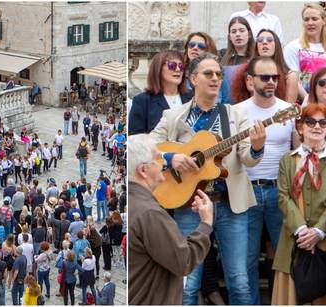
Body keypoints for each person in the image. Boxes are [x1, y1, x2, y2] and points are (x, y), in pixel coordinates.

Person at [149, 53, 265, 305]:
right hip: (189, 203)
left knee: (239, 281)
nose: (215, 79)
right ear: (192, 79)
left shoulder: (235, 115)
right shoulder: (174, 116)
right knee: (188, 283)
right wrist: (171, 158)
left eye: (218, 75)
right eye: (208, 74)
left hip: (229, 203)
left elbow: (247, 158)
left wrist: (257, 146)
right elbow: (146, 147)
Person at [234, 56, 299, 305]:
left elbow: (296, 151)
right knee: (247, 258)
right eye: (265, 77)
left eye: (275, 77)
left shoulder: (287, 109)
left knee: (287, 256)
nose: (271, 81)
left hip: (279, 191)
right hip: (247, 191)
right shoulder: (237, 111)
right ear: (250, 81)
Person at [272, 103, 326, 304]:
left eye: (323, 122)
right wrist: (302, 230)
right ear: (300, 127)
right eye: (310, 121)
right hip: (294, 242)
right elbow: (283, 197)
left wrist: (318, 232)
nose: (317, 126)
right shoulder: (287, 160)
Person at [128, 133, 213, 305]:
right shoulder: (150, 213)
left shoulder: (134, 202)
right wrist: (205, 223)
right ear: (143, 170)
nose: (164, 163)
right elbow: (184, 261)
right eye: (158, 159)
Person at [129, 50, 191, 135]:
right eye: (172, 65)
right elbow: (134, 138)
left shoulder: (192, 98)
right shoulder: (142, 101)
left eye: (181, 66)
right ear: (158, 69)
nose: (178, 69)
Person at [284, 3, 326, 96]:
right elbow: (293, 80)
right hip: (302, 103)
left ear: (324, 21)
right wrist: (307, 99)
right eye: (306, 19)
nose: (310, 23)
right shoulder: (292, 47)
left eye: (314, 19)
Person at [232, 29, 298, 103]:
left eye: (269, 40)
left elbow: (288, 109)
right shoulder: (246, 71)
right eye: (260, 40)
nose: (264, 42)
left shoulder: (290, 76)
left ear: (276, 45)